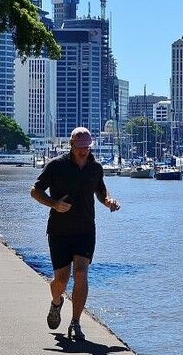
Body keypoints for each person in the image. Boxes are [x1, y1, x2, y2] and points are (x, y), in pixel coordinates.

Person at [30, 128, 120, 341]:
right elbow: (35, 191)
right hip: (59, 231)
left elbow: (101, 190)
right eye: (79, 147)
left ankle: (76, 322)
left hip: (86, 229)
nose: (83, 151)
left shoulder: (95, 168)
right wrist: (54, 204)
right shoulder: (56, 166)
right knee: (61, 280)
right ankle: (56, 302)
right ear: (71, 145)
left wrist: (108, 201)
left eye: (86, 147)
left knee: (81, 273)